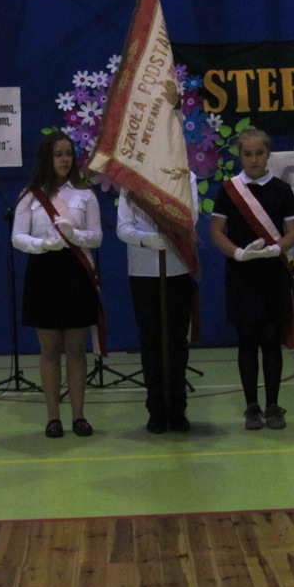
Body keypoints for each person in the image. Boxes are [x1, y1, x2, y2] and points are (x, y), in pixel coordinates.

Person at [11, 130, 102, 438]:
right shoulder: (30, 195)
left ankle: (79, 416)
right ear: (46, 159)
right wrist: (42, 245)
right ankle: (53, 418)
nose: (65, 160)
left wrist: (77, 236)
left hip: (77, 272)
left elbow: (97, 237)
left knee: (75, 348)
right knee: (49, 349)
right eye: (58, 154)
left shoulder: (85, 194)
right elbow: (17, 237)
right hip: (43, 272)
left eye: (69, 154)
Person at [210, 126, 294, 430]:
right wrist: (237, 253)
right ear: (240, 156)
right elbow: (216, 232)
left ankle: (273, 406)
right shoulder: (228, 190)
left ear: (268, 154)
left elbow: (293, 232)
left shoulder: (282, 190)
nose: (254, 159)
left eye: (259, 153)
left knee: (271, 340)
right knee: (247, 341)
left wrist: (276, 248)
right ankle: (251, 407)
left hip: (274, 274)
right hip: (242, 275)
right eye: (247, 154)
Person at [117, 172, 199, 434]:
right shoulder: (131, 179)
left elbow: (191, 217)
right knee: (150, 341)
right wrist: (146, 239)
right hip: (142, 271)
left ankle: (177, 408)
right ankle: (156, 410)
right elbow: (123, 228)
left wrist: (170, 230)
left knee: (176, 341)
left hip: (177, 267)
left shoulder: (185, 176)